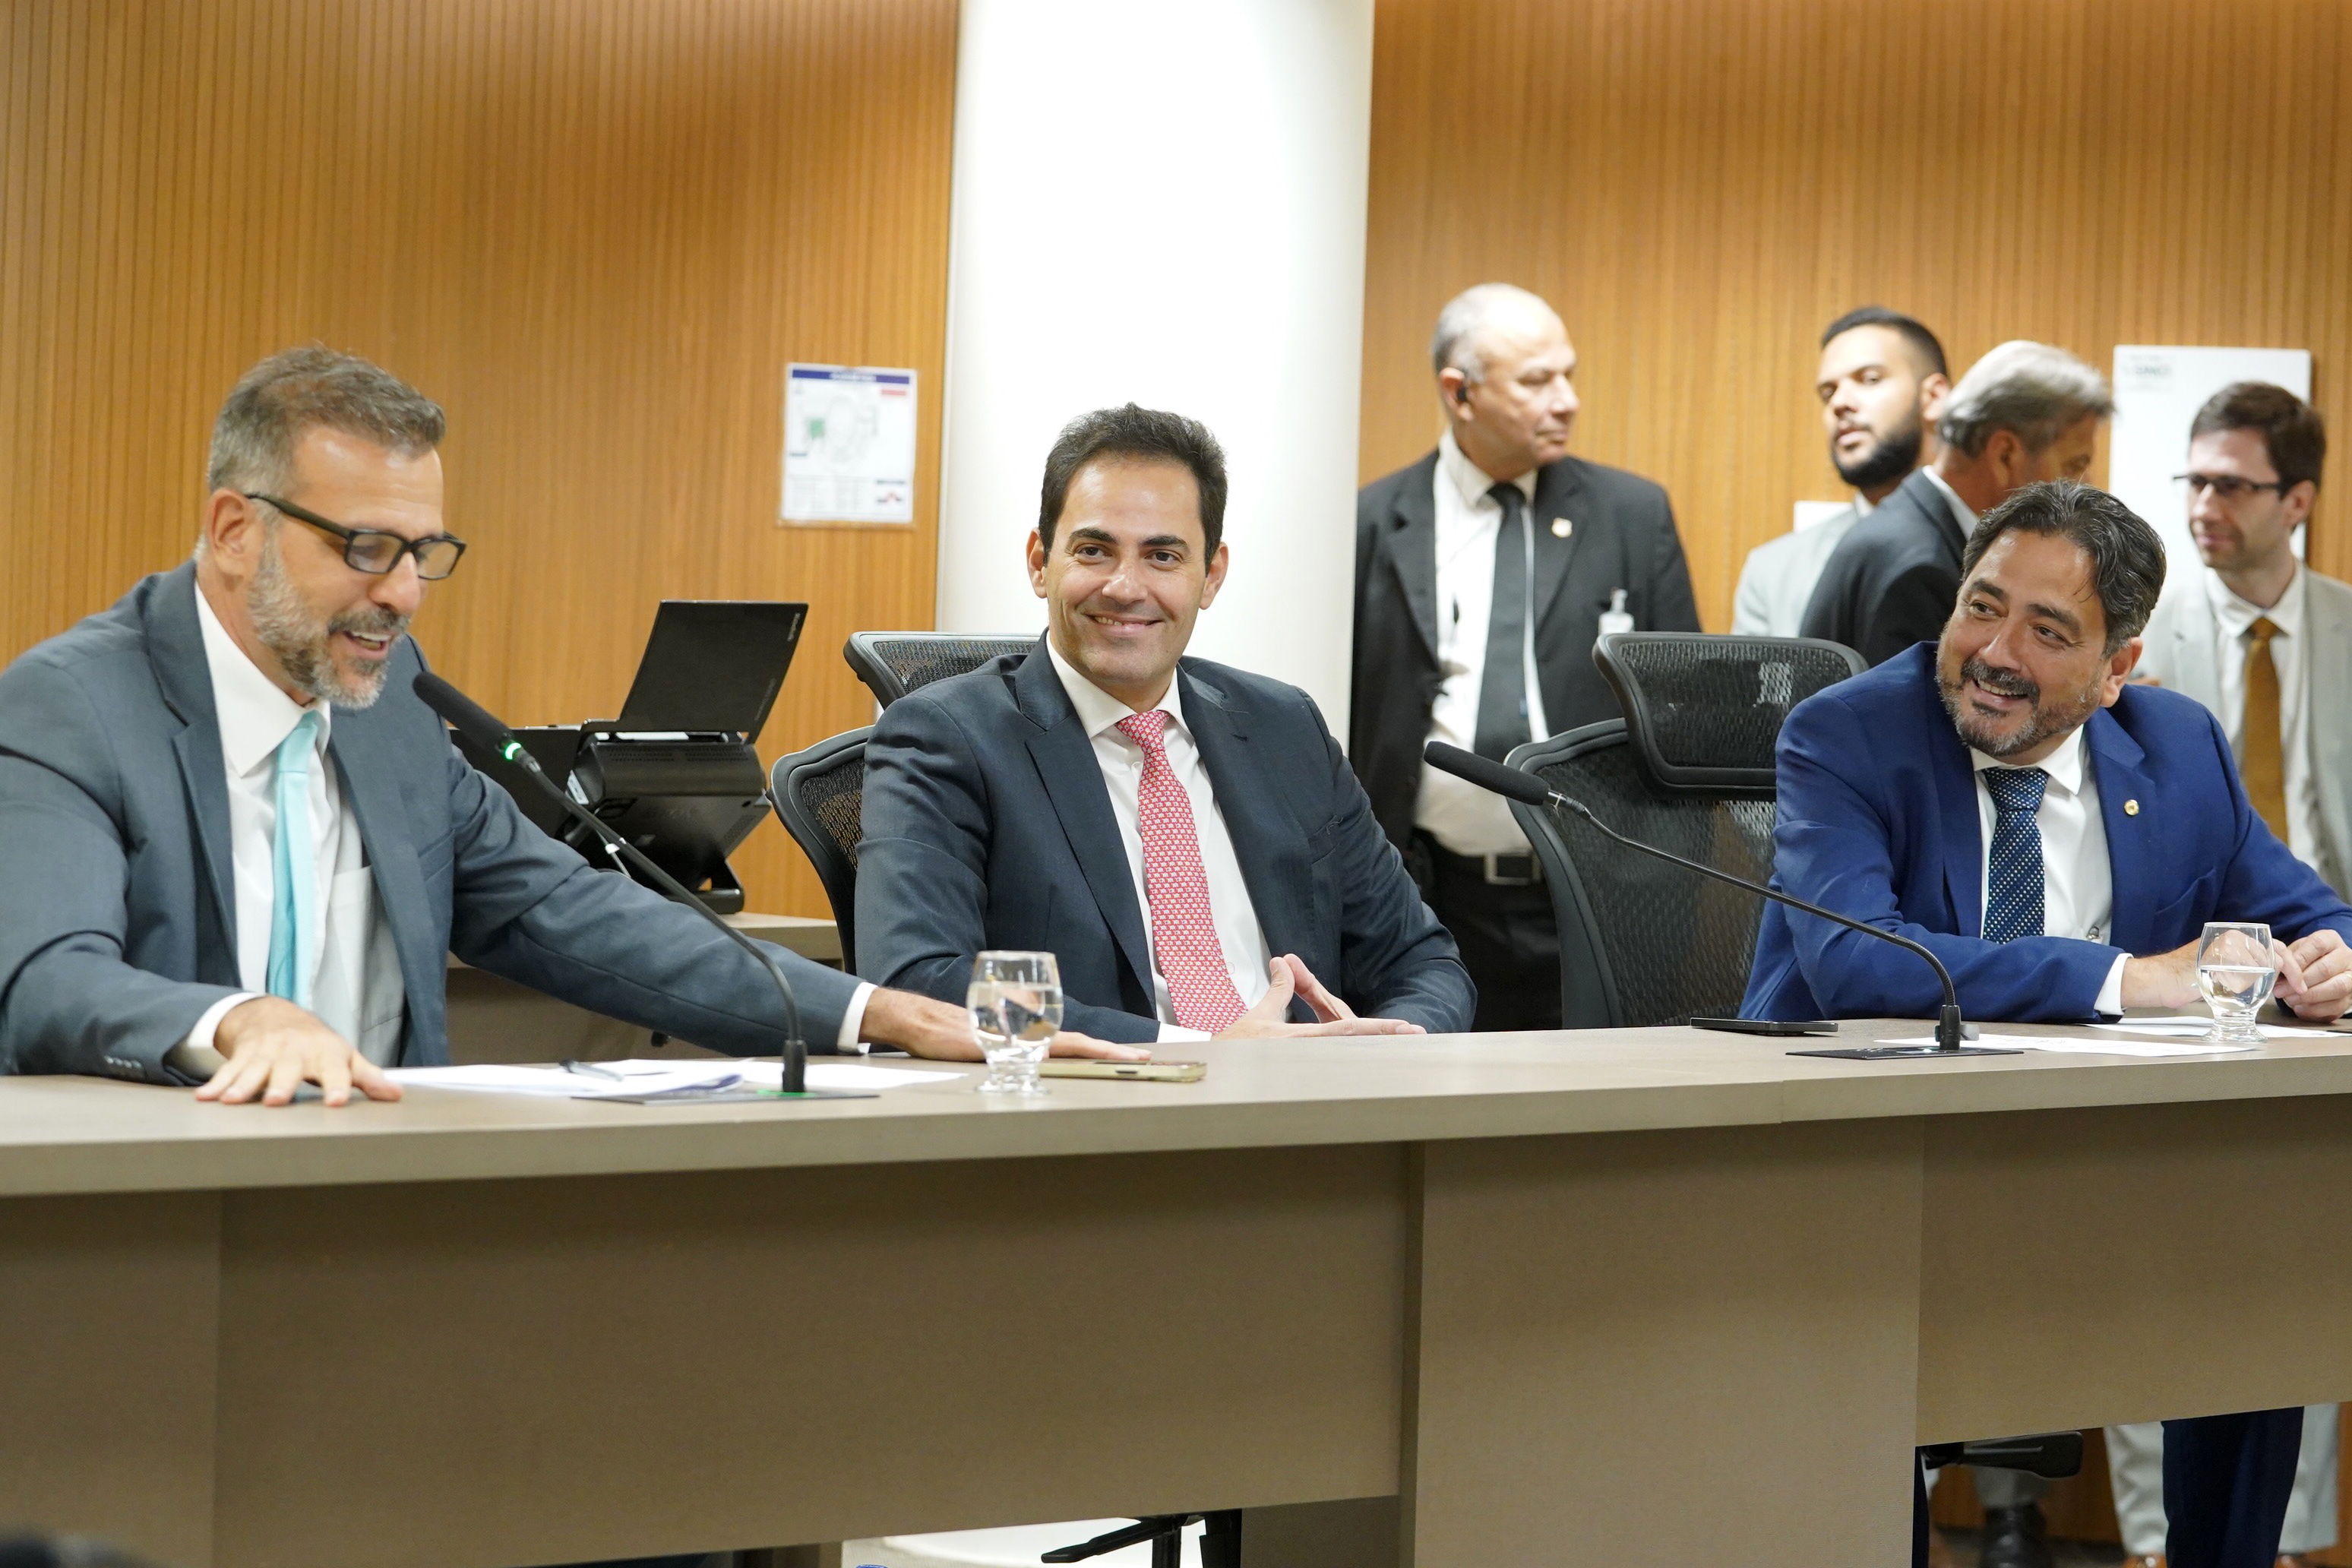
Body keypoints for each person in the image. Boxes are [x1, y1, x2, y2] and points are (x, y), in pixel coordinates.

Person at [0, 348, 1143, 1116]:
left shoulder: (389, 710)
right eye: (365, 549)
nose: (403, 595)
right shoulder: (75, 706)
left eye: (424, 553)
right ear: (234, 529)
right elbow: (46, 976)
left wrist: (870, 1010)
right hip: (160, 1227)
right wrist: (238, 1019)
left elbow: (564, 910)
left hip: (377, 1207)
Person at [1744, 478, 2351, 1568]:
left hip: (2098, 1168)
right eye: (1981, 606)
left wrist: (2331, 963)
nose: (1995, 652)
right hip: (1869, 1175)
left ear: (2118, 670)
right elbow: (1861, 966)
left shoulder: (2178, 746)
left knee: (2258, 1278)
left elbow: (2317, 916)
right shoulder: (1849, 733)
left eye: (2047, 630)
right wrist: (2129, 979)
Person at [859, 403, 1474, 1044]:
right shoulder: (944, 739)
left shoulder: (1285, 728)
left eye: (1162, 556)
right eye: (1094, 551)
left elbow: (1422, 961)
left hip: (1308, 1093)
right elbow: (920, 980)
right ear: (1040, 562)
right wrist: (1201, 1053)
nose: (1126, 587)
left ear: (1211, 576)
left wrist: (1387, 1048)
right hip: (1097, 1099)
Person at [2109, 381, 2346, 1568]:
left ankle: (2283, 1542)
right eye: (2192, 480)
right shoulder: (2138, 647)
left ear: (2296, 501)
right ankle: (2158, 1540)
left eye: (2231, 484)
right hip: (2188, 979)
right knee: (2159, 1267)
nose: (2204, 503)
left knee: (2299, 1273)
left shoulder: (2346, 626)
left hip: (2325, 980)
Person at [1353, 282, 1700, 1030]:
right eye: (1537, 381)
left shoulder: (1633, 516)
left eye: (1568, 374)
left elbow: (1684, 711)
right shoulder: (1373, 522)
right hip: (1427, 900)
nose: (1567, 400)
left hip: (1599, 901)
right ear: (1460, 393)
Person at [1801, 340, 2112, 667]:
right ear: (2005, 454)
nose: (2083, 486)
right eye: (2074, 466)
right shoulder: (1920, 569)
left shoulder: (1915, 531)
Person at [1731, 306, 1949, 636]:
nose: (1839, 403)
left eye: (1870, 379)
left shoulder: (2003, 552)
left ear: (1933, 397)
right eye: (1828, 392)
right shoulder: (1773, 573)